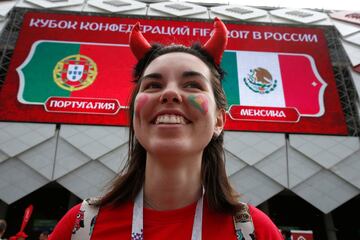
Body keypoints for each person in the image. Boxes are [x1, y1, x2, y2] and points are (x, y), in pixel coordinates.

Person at [49, 18, 283, 240]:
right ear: (135, 115)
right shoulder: (79, 227)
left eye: (192, 84)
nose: (169, 93)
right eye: (153, 85)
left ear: (219, 121)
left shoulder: (255, 231)